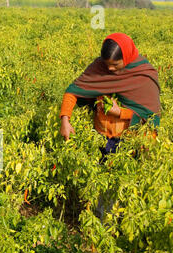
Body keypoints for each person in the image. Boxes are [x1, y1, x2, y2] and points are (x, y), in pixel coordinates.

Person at [59, 32, 161, 161]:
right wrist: (65, 121)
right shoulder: (99, 67)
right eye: (107, 64)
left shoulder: (143, 76)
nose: (110, 68)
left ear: (127, 57)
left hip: (127, 140)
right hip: (99, 137)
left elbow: (148, 115)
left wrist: (119, 113)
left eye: (115, 64)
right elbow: (73, 91)